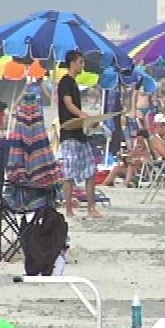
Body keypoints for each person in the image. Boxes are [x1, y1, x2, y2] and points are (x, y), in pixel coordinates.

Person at [58, 50, 102, 218]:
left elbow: (75, 109)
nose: (83, 65)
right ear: (73, 63)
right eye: (81, 62)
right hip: (68, 134)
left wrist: (89, 120)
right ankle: (69, 210)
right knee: (69, 173)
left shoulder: (74, 83)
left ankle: (91, 208)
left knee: (91, 169)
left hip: (79, 134)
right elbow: (68, 104)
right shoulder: (65, 82)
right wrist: (84, 116)